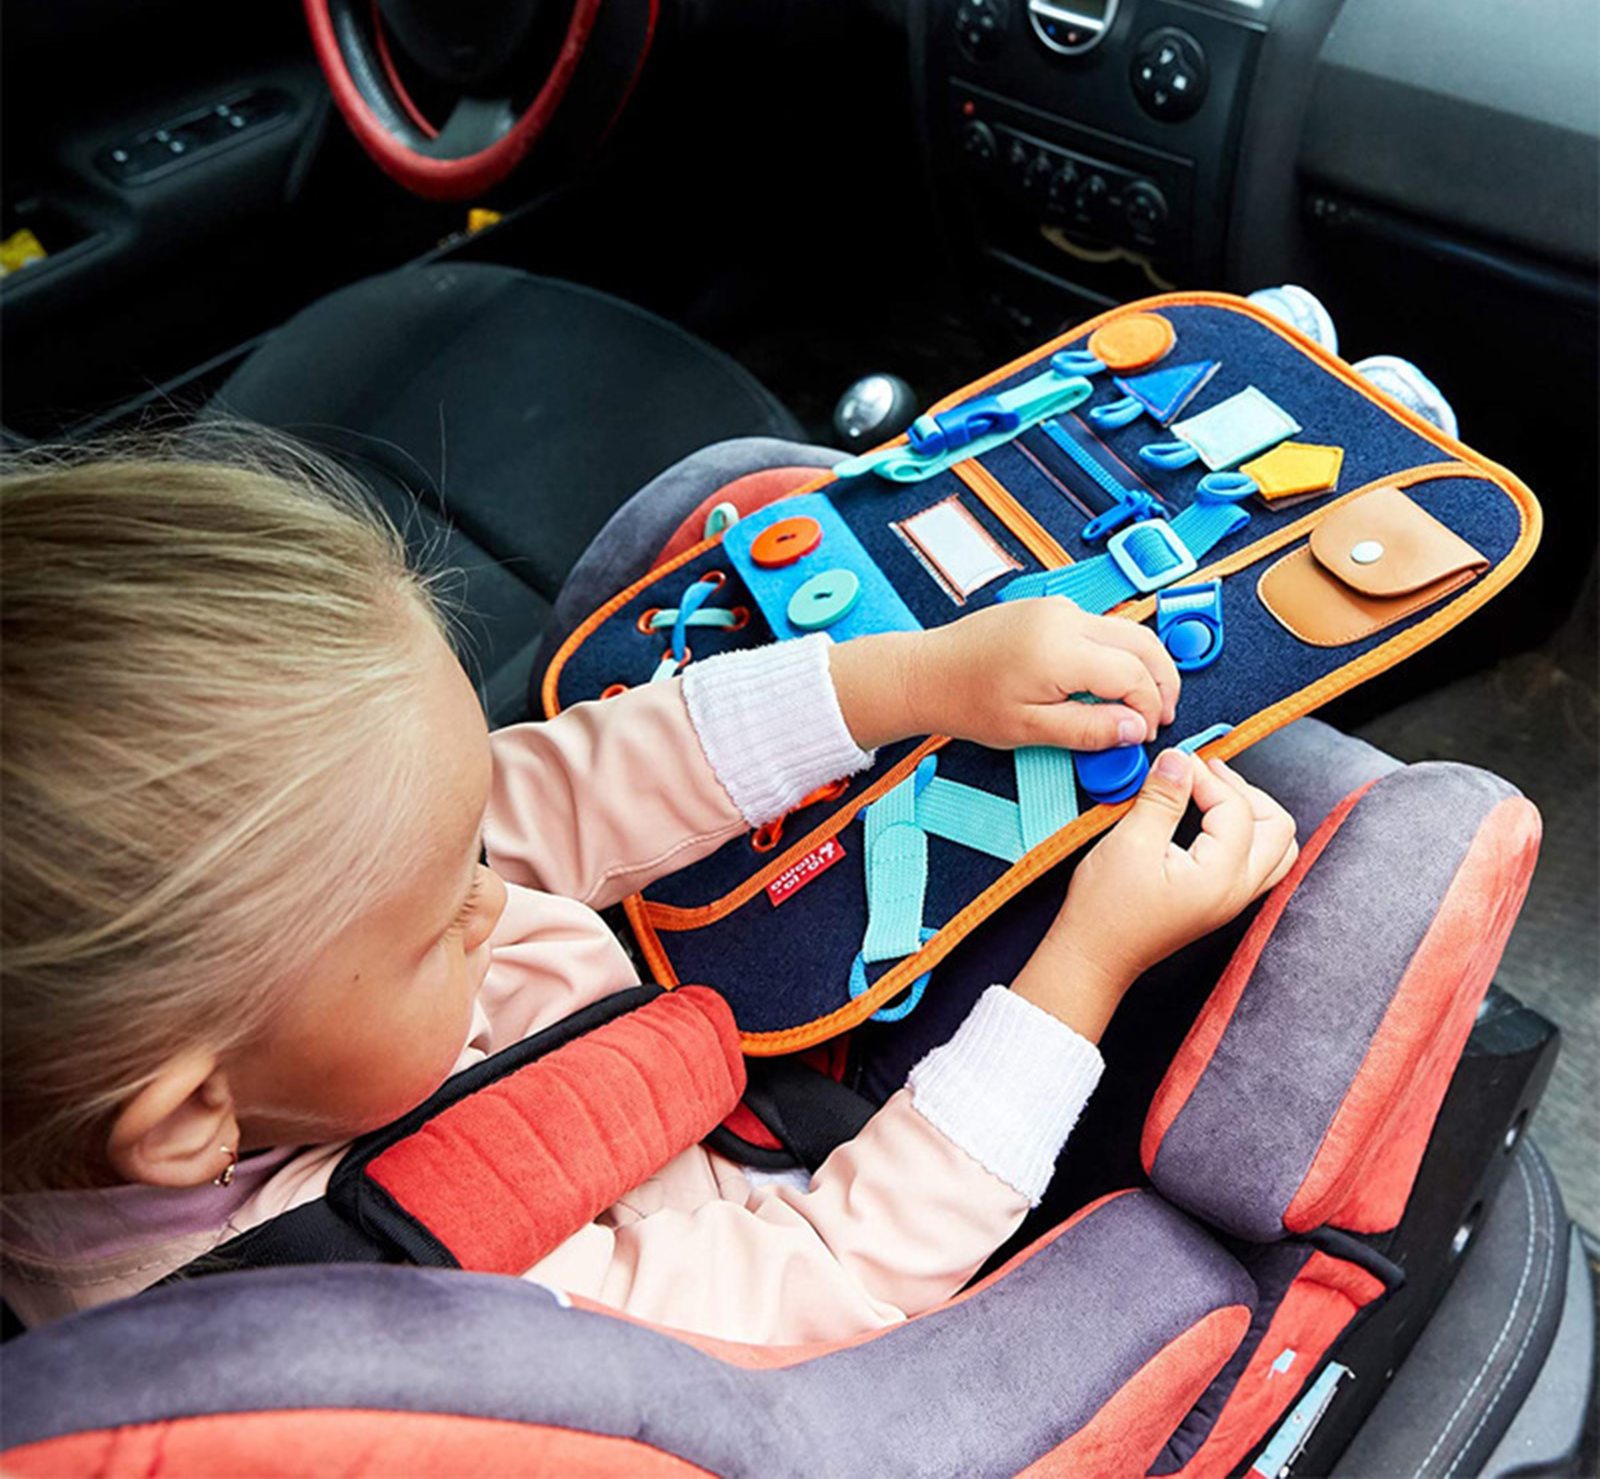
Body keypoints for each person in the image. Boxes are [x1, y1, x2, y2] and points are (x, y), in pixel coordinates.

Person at [0, 431, 1297, 1342]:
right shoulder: (413, 1298)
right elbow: (828, 1282)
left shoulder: (258, 986)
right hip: (792, 1224)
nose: (492, 893)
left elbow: (560, 791)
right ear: (190, 1119)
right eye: (441, 923)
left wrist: (914, 679)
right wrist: (1086, 967)